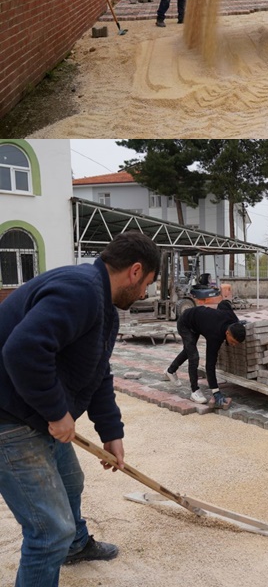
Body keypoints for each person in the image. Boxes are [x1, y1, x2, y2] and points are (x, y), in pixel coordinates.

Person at [0, 231, 160, 581]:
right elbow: (22, 351)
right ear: (135, 271)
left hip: (30, 408)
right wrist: (57, 413)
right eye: (147, 283)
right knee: (49, 532)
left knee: (71, 481)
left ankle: (76, 546)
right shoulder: (81, 291)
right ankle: (62, 543)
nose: (144, 293)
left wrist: (111, 433)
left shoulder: (103, 308)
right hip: (8, 417)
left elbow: (98, 373)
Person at [165, 300, 246, 407]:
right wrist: (215, 391)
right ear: (227, 333)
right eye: (233, 342)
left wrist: (238, 323)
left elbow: (223, 303)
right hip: (185, 323)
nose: (234, 345)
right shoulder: (215, 336)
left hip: (197, 323)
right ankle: (194, 391)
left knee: (189, 351)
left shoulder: (233, 320)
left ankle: (170, 371)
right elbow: (210, 365)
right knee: (194, 357)